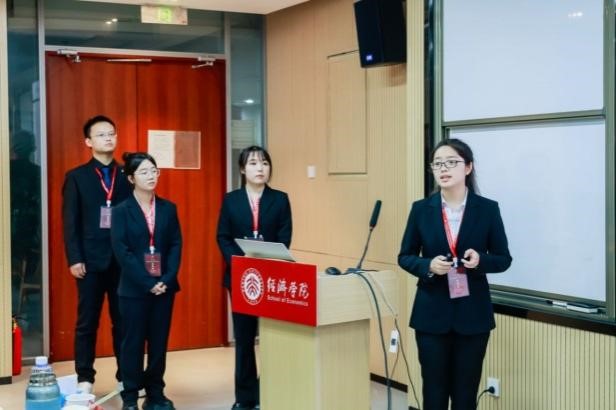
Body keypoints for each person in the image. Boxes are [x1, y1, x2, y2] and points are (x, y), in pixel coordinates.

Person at [398, 138, 512, 410]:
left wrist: (480, 261)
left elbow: (503, 259)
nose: (443, 168)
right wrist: (428, 266)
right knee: (433, 394)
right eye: (437, 164)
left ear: (468, 167)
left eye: (451, 162)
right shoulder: (421, 209)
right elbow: (405, 256)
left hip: (473, 316)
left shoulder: (487, 209)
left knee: (465, 395)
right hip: (431, 316)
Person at [216, 146, 292, 410]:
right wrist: (239, 261)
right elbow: (223, 237)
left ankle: (266, 393)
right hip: (240, 277)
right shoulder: (231, 200)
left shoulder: (280, 199)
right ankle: (245, 398)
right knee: (245, 339)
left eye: (264, 163)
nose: (260, 168)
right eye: (253, 163)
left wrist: (267, 261)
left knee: (271, 340)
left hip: (271, 279)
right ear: (242, 169)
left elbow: (285, 238)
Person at [62, 115, 131, 393]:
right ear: (88, 142)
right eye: (101, 134)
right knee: (87, 322)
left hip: (123, 261)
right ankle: (85, 378)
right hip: (89, 261)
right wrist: (74, 258)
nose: (108, 138)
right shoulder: (77, 177)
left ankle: (126, 376)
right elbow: (70, 221)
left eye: (112, 133)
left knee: (124, 322)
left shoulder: (127, 175)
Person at [111, 152, 182, 410]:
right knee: (132, 343)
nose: (151, 176)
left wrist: (166, 279)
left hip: (164, 287)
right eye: (144, 172)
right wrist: (147, 282)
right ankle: (130, 396)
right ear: (131, 178)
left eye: (154, 170)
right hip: (134, 289)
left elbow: (175, 245)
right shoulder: (121, 211)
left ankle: (156, 393)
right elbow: (122, 252)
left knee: (158, 343)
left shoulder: (168, 208)